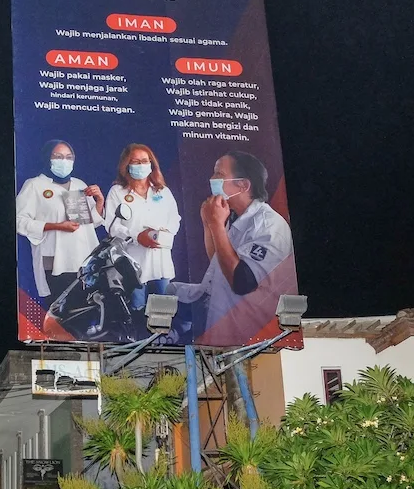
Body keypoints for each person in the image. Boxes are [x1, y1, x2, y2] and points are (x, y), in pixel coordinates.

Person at [167, 151, 293, 346]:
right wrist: (208, 224)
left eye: (219, 174)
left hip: (243, 325)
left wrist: (216, 225)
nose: (212, 179)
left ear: (243, 185)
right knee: (167, 292)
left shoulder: (269, 226)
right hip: (213, 302)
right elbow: (219, 262)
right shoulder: (233, 215)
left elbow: (242, 281)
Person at [104, 143, 181, 337]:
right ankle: (138, 341)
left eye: (144, 161)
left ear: (151, 164)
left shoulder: (162, 191)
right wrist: (136, 236)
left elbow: (175, 218)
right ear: (126, 165)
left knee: (162, 309)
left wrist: (164, 232)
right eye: (135, 161)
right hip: (133, 260)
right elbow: (111, 225)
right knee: (138, 307)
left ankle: (162, 341)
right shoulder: (117, 192)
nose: (140, 165)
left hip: (160, 258)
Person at [16, 140, 105, 304]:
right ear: (47, 158)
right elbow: (19, 221)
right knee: (61, 311)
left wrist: (99, 202)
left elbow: (92, 223)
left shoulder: (79, 185)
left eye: (68, 157)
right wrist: (56, 226)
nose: (64, 161)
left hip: (82, 260)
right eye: (58, 156)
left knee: (84, 310)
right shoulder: (35, 185)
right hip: (55, 261)